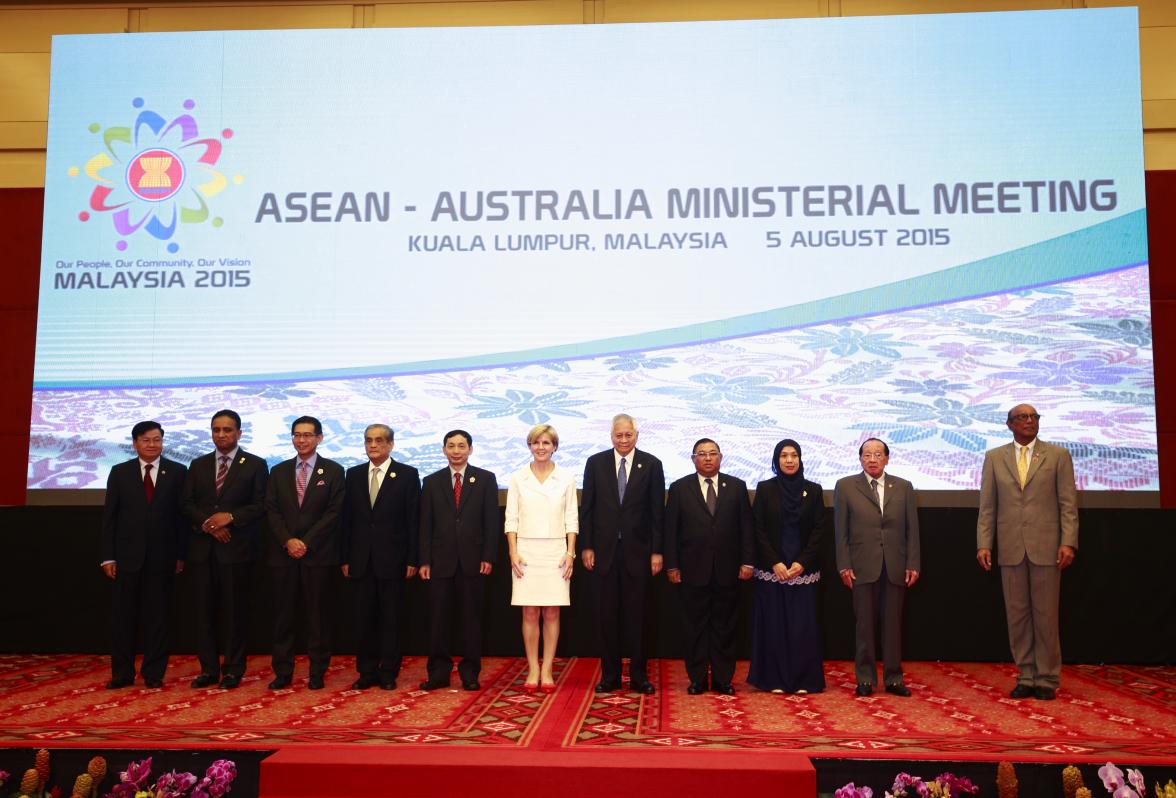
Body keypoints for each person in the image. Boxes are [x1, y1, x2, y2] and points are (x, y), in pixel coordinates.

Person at [977, 403, 1078, 701]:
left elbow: (1068, 504)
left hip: (1047, 547)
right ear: (1009, 424)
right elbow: (987, 506)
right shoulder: (994, 457)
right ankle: (1026, 675)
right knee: (1017, 616)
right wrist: (984, 543)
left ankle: (1047, 677)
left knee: (1046, 616)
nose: (1029, 421)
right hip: (1010, 547)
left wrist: (1068, 541)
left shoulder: (1057, 456)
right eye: (1022, 417)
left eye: (1034, 417)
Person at [180, 409, 269, 690]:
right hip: (203, 552)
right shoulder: (198, 464)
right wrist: (209, 524)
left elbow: (260, 505)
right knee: (203, 613)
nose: (221, 435)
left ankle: (233, 670)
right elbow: (186, 504)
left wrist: (230, 518)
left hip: (237, 551)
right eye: (216, 430)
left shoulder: (255, 464)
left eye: (227, 430)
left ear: (239, 433)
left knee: (234, 613)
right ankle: (208, 669)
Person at [579, 413, 665, 695]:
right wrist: (588, 546)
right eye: (619, 435)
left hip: (639, 554)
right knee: (607, 617)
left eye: (629, 435)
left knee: (637, 617)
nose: (624, 440)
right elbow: (587, 508)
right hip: (603, 553)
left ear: (636, 436)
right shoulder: (596, 463)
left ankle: (639, 676)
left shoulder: (652, 464)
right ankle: (610, 676)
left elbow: (657, 513)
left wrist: (656, 552)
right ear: (611, 436)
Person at [99, 421, 188, 689]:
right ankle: (122, 674)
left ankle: (154, 673)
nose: (152, 445)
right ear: (135, 443)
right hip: (127, 559)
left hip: (163, 558)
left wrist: (180, 554)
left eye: (157, 439)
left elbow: (182, 519)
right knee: (124, 618)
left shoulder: (178, 471)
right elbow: (110, 518)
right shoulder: (120, 472)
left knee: (158, 618)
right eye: (146, 440)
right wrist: (108, 557)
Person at [664, 438, 753, 695]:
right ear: (693, 459)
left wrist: (747, 561)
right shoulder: (680, 488)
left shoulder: (736, 487)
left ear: (721, 457)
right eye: (701, 454)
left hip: (728, 569)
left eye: (712, 453)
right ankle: (698, 679)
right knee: (695, 627)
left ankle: (724, 679)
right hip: (692, 570)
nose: (707, 458)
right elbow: (671, 531)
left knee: (725, 627)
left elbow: (746, 527)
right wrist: (672, 566)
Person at [833, 438, 920, 697]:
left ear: (887, 458)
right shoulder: (846, 486)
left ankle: (894, 678)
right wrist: (843, 565)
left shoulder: (903, 487)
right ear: (860, 459)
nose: (872, 459)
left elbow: (912, 530)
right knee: (864, 626)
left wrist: (913, 562)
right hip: (861, 566)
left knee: (893, 625)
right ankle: (865, 678)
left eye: (878, 454)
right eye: (867, 454)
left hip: (895, 564)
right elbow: (841, 532)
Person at [264, 416, 345, 690]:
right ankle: (283, 672)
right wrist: (288, 540)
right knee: (282, 616)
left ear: (320, 438)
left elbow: (334, 513)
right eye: (297, 435)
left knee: (317, 617)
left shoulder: (333, 471)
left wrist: (306, 542)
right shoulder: (278, 471)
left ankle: (317, 672)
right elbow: (271, 510)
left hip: (318, 556)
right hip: (283, 555)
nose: (302, 440)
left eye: (308, 435)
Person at [341, 423, 421, 691]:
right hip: (361, 560)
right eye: (368, 440)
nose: (372, 445)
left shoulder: (408, 475)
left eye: (378, 441)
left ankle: (388, 671)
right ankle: (366, 671)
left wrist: (412, 559)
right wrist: (345, 557)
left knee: (391, 619)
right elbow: (346, 521)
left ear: (390, 445)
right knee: (363, 619)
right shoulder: (352, 475)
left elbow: (413, 521)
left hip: (394, 560)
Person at [418, 430, 499, 691]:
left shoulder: (485, 479)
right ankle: (438, 673)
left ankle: (470, 673)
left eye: (461, 446)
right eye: (451, 446)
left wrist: (488, 555)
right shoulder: (431, 481)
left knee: (471, 620)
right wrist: (425, 560)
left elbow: (491, 522)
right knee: (438, 620)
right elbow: (425, 525)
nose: (456, 450)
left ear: (470, 450)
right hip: (439, 562)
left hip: (473, 561)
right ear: (443, 450)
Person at [748, 439, 826, 694]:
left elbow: (818, 531)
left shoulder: (813, 491)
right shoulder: (765, 489)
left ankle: (804, 680)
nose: (789, 460)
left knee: (801, 628)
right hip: (773, 571)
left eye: (794, 455)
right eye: (784, 456)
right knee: (774, 626)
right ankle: (773, 679)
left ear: (801, 459)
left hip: (803, 571)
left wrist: (802, 563)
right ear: (776, 460)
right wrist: (775, 562)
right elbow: (757, 529)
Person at [504, 424, 578, 692]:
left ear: (555, 446)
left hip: (556, 552)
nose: (541, 447)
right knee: (530, 611)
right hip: (525, 552)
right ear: (530, 446)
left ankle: (547, 669)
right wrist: (512, 551)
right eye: (536, 443)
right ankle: (532, 668)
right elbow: (510, 518)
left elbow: (572, 517)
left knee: (551, 611)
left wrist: (570, 552)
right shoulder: (518, 478)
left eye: (546, 443)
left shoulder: (566, 477)